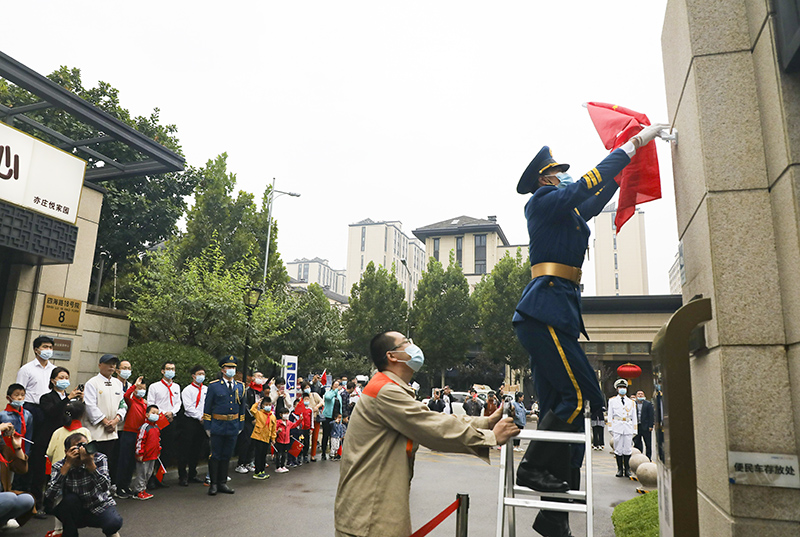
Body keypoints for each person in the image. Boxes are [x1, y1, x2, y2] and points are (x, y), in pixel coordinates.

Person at [512, 126, 667, 537]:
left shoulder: (567, 212)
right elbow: (583, 186)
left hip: (557, 315)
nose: (564, 176)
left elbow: (595, 197)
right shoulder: (542, 202)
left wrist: (626, 168)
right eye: (558, 172)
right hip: (543, 312)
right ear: (545, 179)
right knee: (579, 397)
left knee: (571, 410)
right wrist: (628, 147)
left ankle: (554, 515)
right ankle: (531, 466)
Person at [334, 331, 519, 537]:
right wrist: (490, 437)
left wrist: (487, 422)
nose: (414, 347)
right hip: (369, 515)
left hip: (369, 510)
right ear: (392, 356)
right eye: (406, 342)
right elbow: (433, 427)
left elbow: (433, 418)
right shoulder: (385, 390)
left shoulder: (390, 388)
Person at [44, 432, 123, 537]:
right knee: (70, 501)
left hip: (99, 505)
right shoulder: (60, 466)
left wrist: (90, 464)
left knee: (113, 523)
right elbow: (49, 496)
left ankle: (111, 533)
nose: (82, 450)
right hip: (76, 510)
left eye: (85, 446)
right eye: (77, 447)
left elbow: (105, 487)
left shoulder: (99, 458)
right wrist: (67, 465)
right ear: (66, 452)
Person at [14, 335, 55, 514]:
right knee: (28, 451)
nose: (48, 350)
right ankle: (21, 493)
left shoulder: (53, 369)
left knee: (41, 454)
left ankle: (38, 498)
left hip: (48, 411)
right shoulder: (27, 369)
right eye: (45, 347)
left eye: (50, 347)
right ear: (36, 349)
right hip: (31, 410)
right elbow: (18, 392)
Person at [45, 401, 91, 537]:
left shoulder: (57, 432)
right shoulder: (84, 432)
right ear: (82, 415)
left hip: (59, 471)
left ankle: (58, 530)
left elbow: (49, 452)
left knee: (59, 499)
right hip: (78, 472)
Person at [82, 354, 126, 490]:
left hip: (112, 431)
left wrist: (116, 420)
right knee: (95, 462)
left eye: (114, 364)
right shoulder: (92, 383)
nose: (111, 366)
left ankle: (106, 488)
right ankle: (92, 489)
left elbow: (123, 404)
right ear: (100, 365)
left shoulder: (118, 383)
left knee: (110, 461)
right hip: (97, 432)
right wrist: (105, 422)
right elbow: (90, 406)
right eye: (108, 363)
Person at [203, 356, 245, 496]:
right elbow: (208, 407)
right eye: (229, 367)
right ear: (222, 369)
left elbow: (242, 408)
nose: (231, 370)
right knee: (215, 455)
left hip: (233, 425)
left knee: (227, 455)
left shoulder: (240, 386)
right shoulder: (214, 386)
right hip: (218, 424)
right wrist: (208, 426)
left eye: (233, 367)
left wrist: (240, 425)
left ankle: (222, 482)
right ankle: (213, 484)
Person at [146, 361, 180, 487]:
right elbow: (151, 403)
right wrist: (163, 413)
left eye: (173, 369)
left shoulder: (176, 387)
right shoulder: (154, 386)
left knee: (167, 450)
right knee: (154, 449)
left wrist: (172, 412)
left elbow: (178, 403)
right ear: (162, 371)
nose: (170, 371)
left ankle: (160, 478)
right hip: (158, 421)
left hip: (171, 421)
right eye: (168, 368)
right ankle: (150, 478)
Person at [115, 376, 148, 499]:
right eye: (139, 388)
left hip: (139, 434)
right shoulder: (131, 400)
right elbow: (126, 395)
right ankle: (119, 486)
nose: (141, 391)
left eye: (143, 388)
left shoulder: (144, 403)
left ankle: (127, 485)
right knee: (124, 460)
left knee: (132, 462)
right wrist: (134, 385)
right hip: (129, 432)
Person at [177, 365, 208, 486]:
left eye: (203, 374)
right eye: (199, 374)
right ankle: (182, 476)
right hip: (190, 421)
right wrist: (199, 416)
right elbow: (188, 407)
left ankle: (192, 474)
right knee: (185, 449)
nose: (201, 376)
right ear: (193, 376)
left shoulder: (206, 389)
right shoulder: (187, 390)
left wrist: (205, 417)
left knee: (197, 449)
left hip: (203, 422)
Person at [0, 422, 34, 531]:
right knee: (9, 498)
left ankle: (1, 523)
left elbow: (22, 469)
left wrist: (17, 447)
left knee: (27, 500)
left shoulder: (3, 450)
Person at [235, 371, 267, 474]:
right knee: (246, 441)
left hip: (258, 421)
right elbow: (246, 406)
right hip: (248, 420)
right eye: (258, 376)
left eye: (261, 376)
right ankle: (241, 463)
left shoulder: (261, 392)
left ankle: (249, 462)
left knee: (254, 442)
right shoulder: (248, 391)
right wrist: (252, 418)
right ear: (253, 378)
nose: (260, 378)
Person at [131, 405, 161, 501]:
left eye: (157, 413)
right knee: (142, 474)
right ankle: (138, 491)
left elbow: (158, 440)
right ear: (147, 414)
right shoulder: (144, 427)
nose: (155, 415)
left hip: (153, 455)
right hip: (144, 456)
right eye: (153, 413)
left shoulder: (156, 427)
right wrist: (139, 453)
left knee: (148, 473)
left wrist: (158, 450)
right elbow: (140, 441)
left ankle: (143, 490)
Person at [608, 379, 637, 478]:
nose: (622, 389)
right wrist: (610, 428)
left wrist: (634, 429)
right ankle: (620, 469)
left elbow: (634, 417)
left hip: (628, 427)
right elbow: (610, 415)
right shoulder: (612, 401)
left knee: (627, 449)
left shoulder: (631, 402)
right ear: (617, 389)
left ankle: (627, 469)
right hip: (617, 426)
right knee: (618, 449)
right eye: (620, 387)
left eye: (624, 387)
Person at [249, 395, 276, 480]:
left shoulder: (272, 416)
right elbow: (252, 410)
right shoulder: (259, 413)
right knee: (258, 455)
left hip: (266, 438)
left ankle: (262, 470)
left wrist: (273, 438)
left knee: (263, 455)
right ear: (263, 405)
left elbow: (273, 429)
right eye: (266, 404)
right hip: (258, 437)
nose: (268, 406)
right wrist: (257, 403)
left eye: (269, 404)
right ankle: (257, 472)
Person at [274, 406, 302, 473]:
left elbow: (294, 425)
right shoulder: (278, 422)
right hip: (279, 441)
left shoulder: (288, 423)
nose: (286, 415)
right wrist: (277, 431)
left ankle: (283, 465)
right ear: (280, 414)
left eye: (287, 413)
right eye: (284, 413)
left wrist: (300, 420)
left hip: (286, 441)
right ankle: (278, 467)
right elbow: (274, 430)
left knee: (284, 454)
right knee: (279, 454)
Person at [302, 381, 324, 462]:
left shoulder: (315, 395)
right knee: (305, 438)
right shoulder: (303, 397)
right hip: (306, 420)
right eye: (305, 388)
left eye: (308, 387)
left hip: (315, 419)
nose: (307, 389)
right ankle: (304, 454)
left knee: (315, 438)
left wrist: (317, 406)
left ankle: (313, 455)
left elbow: (322, 401)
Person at [321, 380, 342, 460]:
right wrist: (335, 391)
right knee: (326, 435)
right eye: (335, 385)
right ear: (332, 385)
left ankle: (333, 453)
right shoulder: (329, 393)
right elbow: (328, 398)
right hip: (328, 417)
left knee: (334, 436)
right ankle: (323, 452)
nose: (336, 386)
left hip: (336, 418)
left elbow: (340, 407)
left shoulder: (338, 396)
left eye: (338, 385)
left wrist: (340, 418)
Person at [632, 389, 654, 460]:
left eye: (641, 394)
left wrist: (651, 425)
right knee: (637, 442)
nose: (640, 395)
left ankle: (648, 458)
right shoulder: (633, 404)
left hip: (646, 426)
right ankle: (639, 457)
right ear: (636, 396)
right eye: (638, 394)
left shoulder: (648, 404)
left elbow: (651, 415)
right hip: (636, 426)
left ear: (644, 395)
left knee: (648, 443)